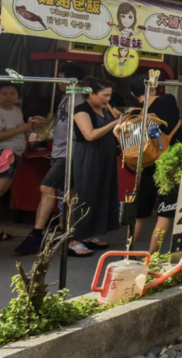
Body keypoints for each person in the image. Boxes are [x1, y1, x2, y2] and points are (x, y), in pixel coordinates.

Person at [15, 64, 86, 255]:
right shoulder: (66, 96)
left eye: (60, 77)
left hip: (68, 153)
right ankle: (67, 234)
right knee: (68, 194)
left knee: (47, 187)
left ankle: (37, 233)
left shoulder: (78, 98)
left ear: (70, 79)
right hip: (59, 150)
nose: (58, 82)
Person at [128, 75, 182, 254]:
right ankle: (152, 256)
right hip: (171, 163)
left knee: (139, 214)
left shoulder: (136, 112)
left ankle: (128, 253)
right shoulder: (167, 101)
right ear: (153, 88)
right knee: (165, 213)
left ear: (132, 94)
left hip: (148, 163)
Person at [0, 83, 44, 243]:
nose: (9, 96)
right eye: (5, 93)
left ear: (17, 96)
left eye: (12, 93)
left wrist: (30, 127)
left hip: (11, 154)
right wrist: (24, 128)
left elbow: (18, 130)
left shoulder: (16, 110)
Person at [69, 78, 126, 257]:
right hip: (88, 156)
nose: (108, 99)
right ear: (91, 94)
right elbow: (90, 135)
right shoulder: (81, 110)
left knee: (102, 194)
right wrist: (113, 124)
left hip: (105, 154)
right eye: (105, 95)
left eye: (109, 95)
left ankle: (90, 234)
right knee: (86, 194)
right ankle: (74, 239)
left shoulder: (104, 108)